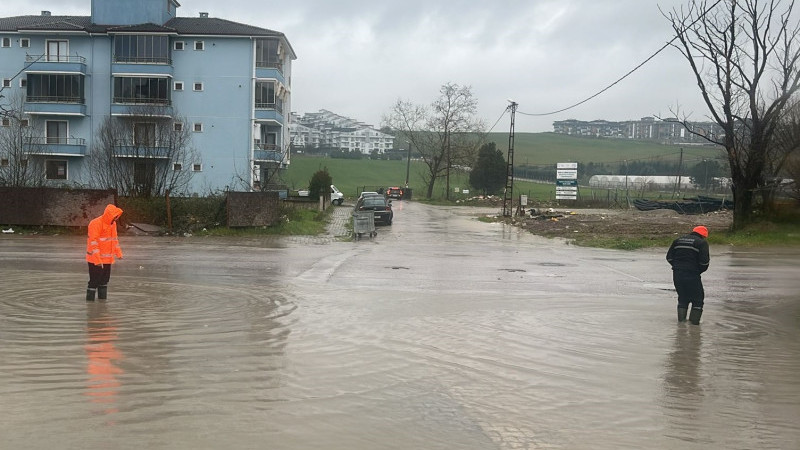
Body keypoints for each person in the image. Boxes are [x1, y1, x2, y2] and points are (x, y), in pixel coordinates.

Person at [666, 225, 710, 324]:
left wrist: (677, 266)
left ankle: (681, 324)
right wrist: (697, 271)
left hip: (677, 274)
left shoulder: (678, 240)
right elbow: (704, 263)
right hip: (692, 274)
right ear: (703, 235)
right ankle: (694, 325)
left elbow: (669, 257)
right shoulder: (701, 243)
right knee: (698, 300)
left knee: (683, 298)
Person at [86, 204, 124, 301]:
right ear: (109, 215)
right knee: (94, 281)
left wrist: (118, 253)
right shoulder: (95, 223)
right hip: (95, 260)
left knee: (104, 281)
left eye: (116, 217)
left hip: (107, 259)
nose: (115, 219)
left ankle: (102, 305)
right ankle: (90, 305)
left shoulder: (112, 224)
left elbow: (114, 240)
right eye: (114, 217)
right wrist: (97, 260)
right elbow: (93, 243)